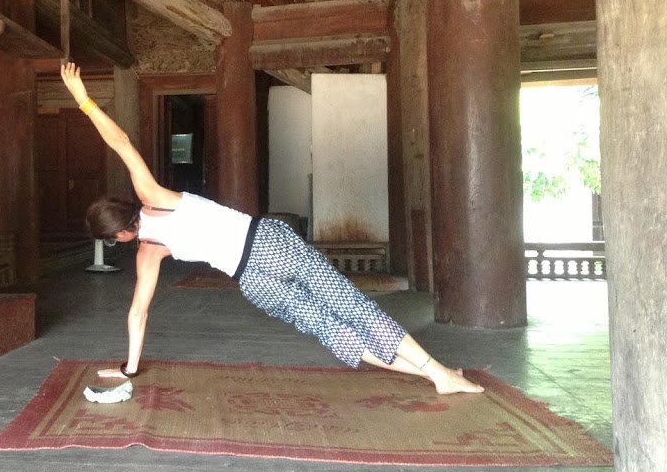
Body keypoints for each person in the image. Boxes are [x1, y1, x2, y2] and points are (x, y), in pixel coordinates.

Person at [60, 62, 483, 395]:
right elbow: (120, 143)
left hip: (252, 280)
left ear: (116, 235)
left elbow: (139, 312)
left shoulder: (147, 252)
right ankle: (439, 373)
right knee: (353, 306)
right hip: (267, 243)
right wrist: (83, 100)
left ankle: (436, 376)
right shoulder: (152, 196)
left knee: (331, 329)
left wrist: (129, 367)